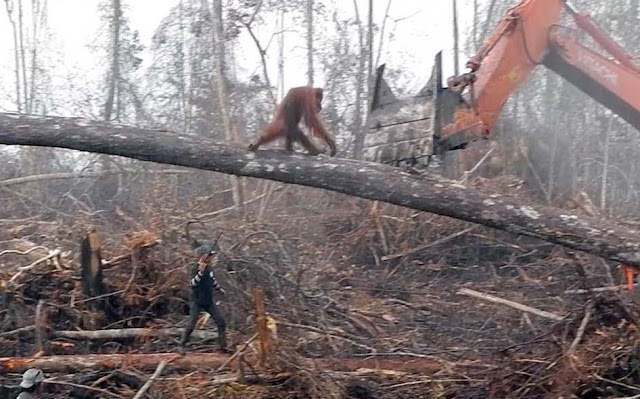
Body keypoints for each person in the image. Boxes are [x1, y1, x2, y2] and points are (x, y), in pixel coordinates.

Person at [179, 244, 227, 354]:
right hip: (197, 301)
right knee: (191, 324)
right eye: (208, 256)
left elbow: (212, 280)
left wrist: (219, 290)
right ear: (202, 256)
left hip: (208, 301)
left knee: (221, 322)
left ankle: (222, 347)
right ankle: (182, 345)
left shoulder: (209, 269)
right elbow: (193, 284)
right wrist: (200, 272)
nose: (210, 258)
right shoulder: (194, 268)